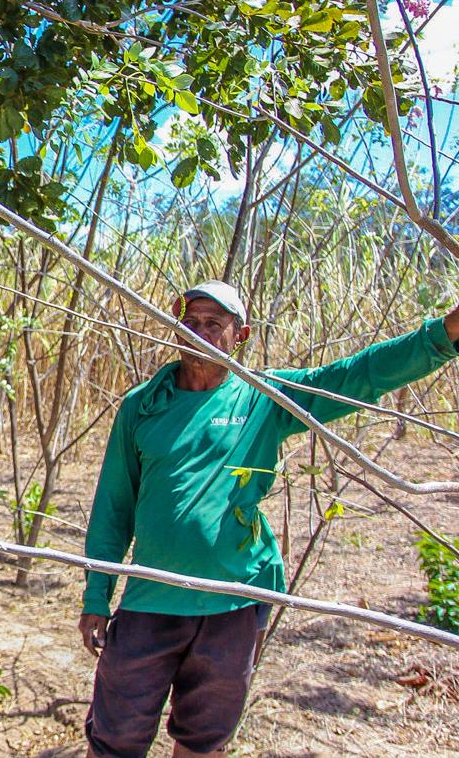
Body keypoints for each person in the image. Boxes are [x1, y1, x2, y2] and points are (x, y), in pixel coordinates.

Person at [78, 279, 459, 758]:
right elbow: (113, 507)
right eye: (189, 322)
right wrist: (97, 594)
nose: (198, 333)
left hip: (234, 604)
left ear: (242, 335)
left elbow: (357, 375)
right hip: (150, 599)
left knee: (203, 740)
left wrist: (446, 332)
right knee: (113, 741)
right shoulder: (142, 406)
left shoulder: (263, 398)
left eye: (213, 324)